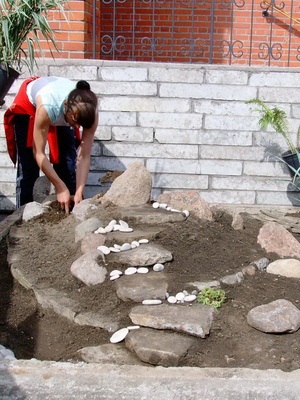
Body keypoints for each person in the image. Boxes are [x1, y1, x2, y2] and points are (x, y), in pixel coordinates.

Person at [4, 76, 98, 214]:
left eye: (81, 124)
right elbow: (39, 153)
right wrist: (60, 187)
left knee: (67, 163)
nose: (78, 127)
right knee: (29, 167)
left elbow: (84, 157)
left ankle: (69, 207)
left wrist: (79, 191)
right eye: (76, 121)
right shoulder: (48, 107)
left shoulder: (90, 112)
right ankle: (23, 215)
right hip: (29, 107)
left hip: (61, 110)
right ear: (66, 106)